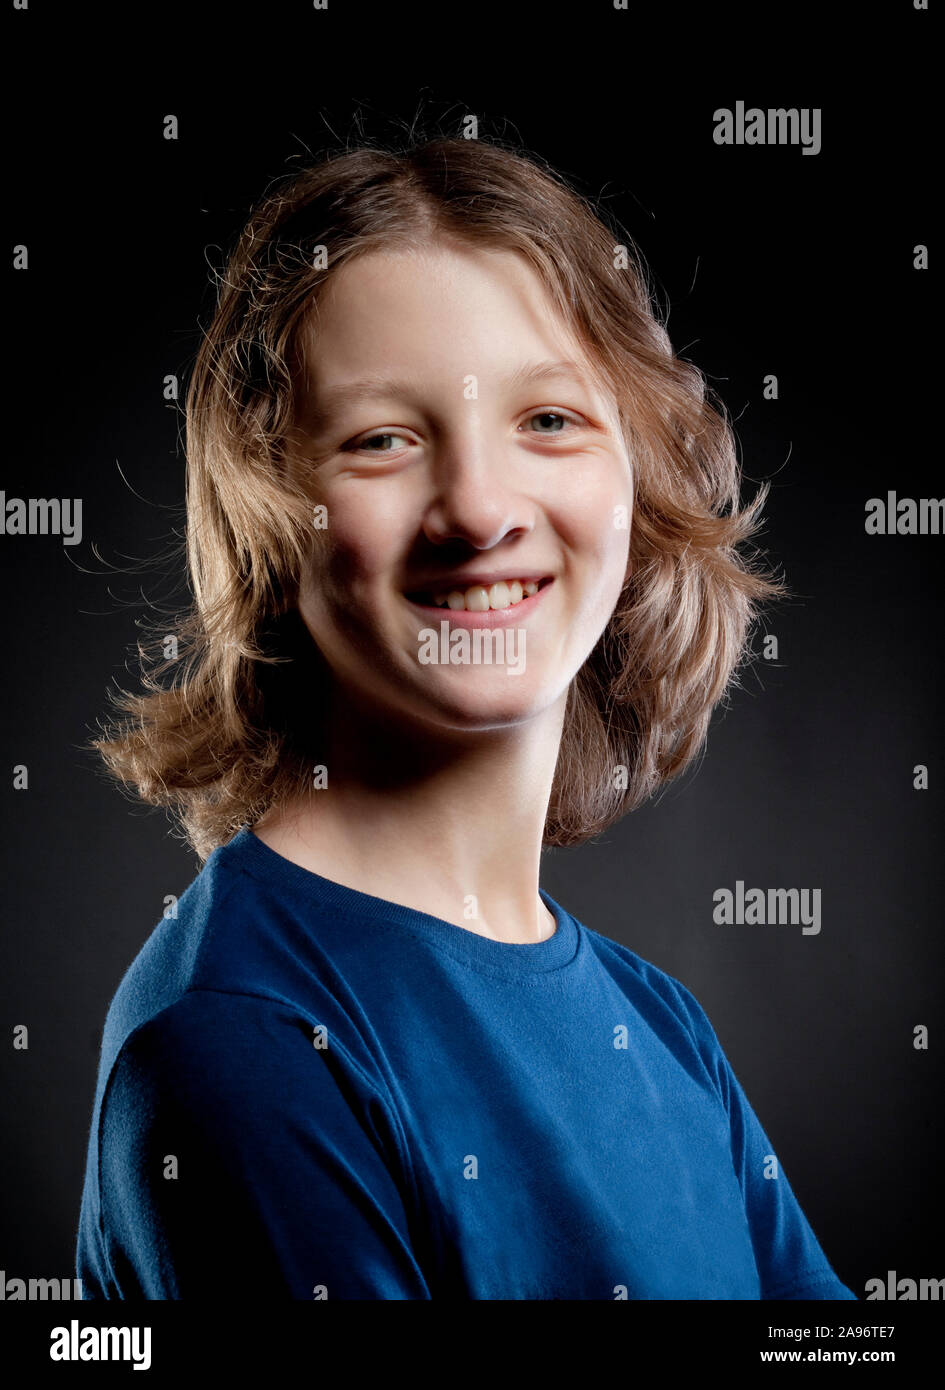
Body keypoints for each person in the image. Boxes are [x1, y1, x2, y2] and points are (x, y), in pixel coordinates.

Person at [76, 133, 856, 1300]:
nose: (480, 507)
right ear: (273, 518)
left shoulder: (662, 1028)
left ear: (634, 477)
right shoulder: (238, 1041)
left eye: (548, 419)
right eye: (383, 438)